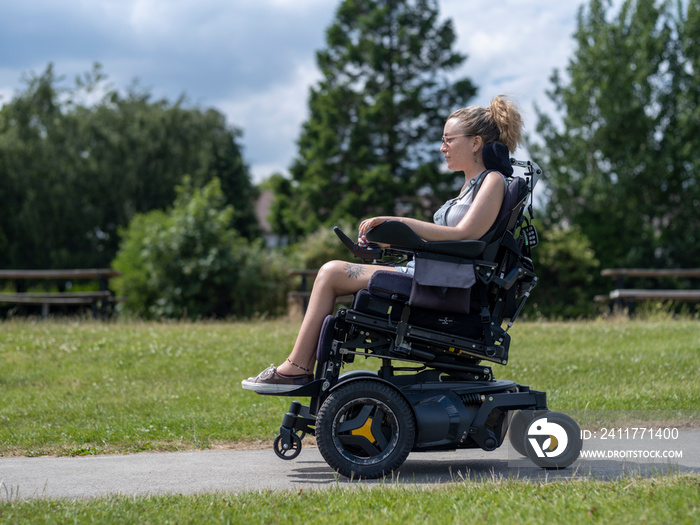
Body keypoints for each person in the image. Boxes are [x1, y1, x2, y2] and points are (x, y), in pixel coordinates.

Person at [242, 94, 524, 393]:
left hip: (444, 284)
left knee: (331, 272)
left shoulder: (492, 181)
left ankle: (296, 369)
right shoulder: (470, 185)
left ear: (475, 142)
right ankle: (299, 368)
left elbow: (465, 236)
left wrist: (399, 223)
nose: (442, 148)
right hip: (435, 274)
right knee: (333, 272)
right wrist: (393, 245)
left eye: (448, 140)